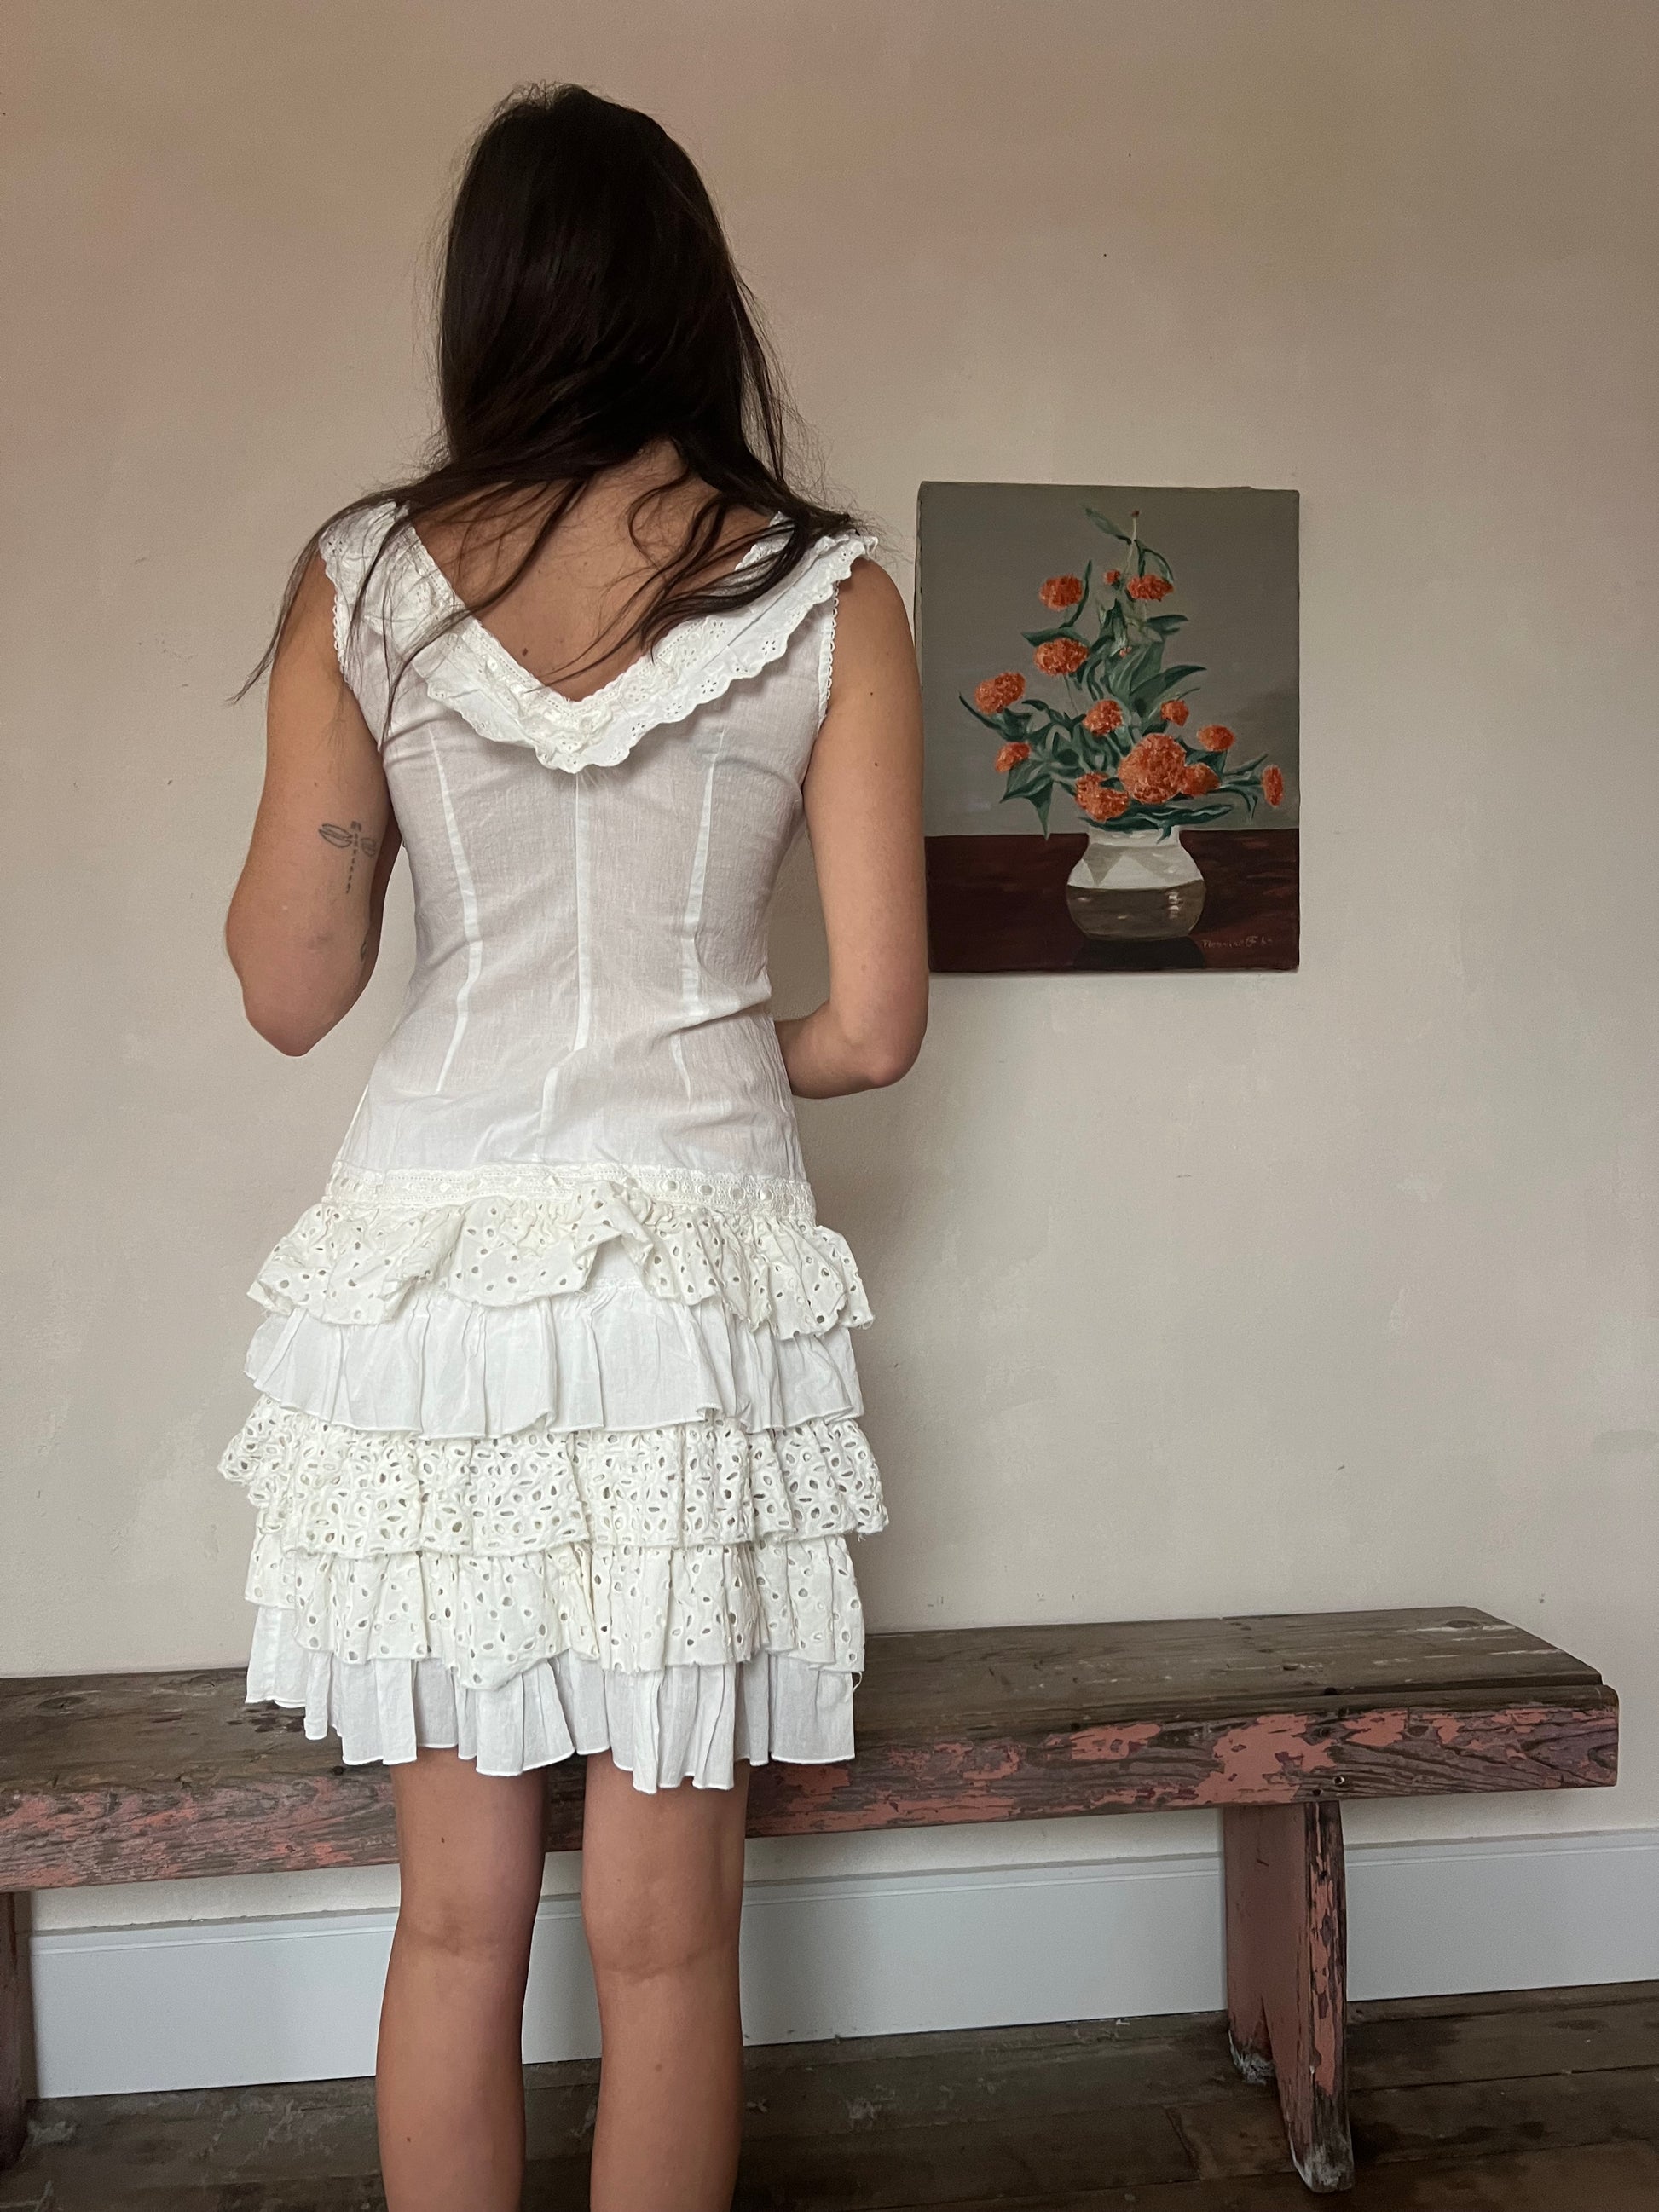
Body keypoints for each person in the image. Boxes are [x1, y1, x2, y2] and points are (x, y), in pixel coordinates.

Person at [221, 83, 926, 2212]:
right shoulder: (829, 593)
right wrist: (702, 1059)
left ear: (489, 300)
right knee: (669, 1935)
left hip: (431, 1283)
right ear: (697, 299)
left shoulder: (366, 579)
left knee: (453, 1919)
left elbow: (290, 984)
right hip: (691, 1284)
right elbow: (874, 1026)